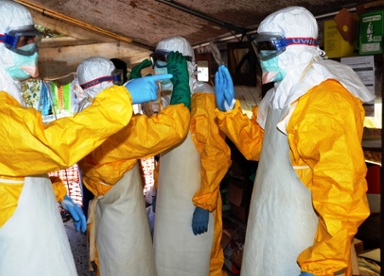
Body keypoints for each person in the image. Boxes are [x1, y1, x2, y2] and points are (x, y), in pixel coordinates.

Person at [0, 1, 170, 275]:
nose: (33, 62)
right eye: (23, 43)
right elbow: (46, 145)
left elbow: (14, 160)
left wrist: (57, 193)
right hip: (16, 251)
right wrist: (124, 98)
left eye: (34, 42)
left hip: (30, 230)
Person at [214, 6, 375, 276]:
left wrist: (322, 263)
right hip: (268, 226)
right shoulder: (277, 95)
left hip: (305, 238)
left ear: (296, 47)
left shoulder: (324, 100)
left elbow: (342, 191)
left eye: (268, 46)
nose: (262, 56)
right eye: (259, 46)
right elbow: (257, 147)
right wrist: (229, 112)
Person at [75, 55, 191, 276]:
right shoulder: (113, 127)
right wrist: (181, 87)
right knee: (129, 266)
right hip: (122, 219)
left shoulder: (86, 111)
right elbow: (169, 130)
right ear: (109, 82)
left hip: (107, 212)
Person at [148, 36, 231, 276]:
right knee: (165, 261)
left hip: (193, 199)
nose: (159, 67)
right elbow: (163, 154)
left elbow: (215, 154)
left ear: (184, 64)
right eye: (158, 60)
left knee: (197, 263)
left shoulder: (202, 97)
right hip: (169, 202)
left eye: (166, 60)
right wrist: (157, 191)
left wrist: (204, 203)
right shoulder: (168, 100)